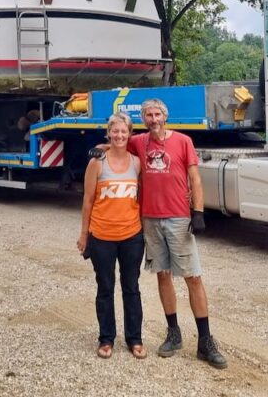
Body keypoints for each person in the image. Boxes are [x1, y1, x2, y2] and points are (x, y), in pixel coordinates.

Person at [128, 98, 227, 369]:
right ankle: (173, 333)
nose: (153, 118)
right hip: (150, 218)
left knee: (193, 277)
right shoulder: (137, 142)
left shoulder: (183, 141)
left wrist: (198, 211)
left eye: (157, 113)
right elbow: (116, 144)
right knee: (163, 275)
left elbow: (194, 178)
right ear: (143, 119)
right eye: (148, 115)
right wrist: (98, 150)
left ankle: (205, 341)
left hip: (178, 218)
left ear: (165, 115)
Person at [77, 112, 145, 359]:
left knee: (132, 288)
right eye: (114, 131)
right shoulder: (97, 162)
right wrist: (84, 235)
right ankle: (106, 339)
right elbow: (87, 200)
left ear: (130, 134)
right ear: (108, 133)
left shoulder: (137, 163)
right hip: (102, 235)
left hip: (131, 235)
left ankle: (134, 339)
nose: (119, 136)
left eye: (123, 132)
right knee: (105, 287)